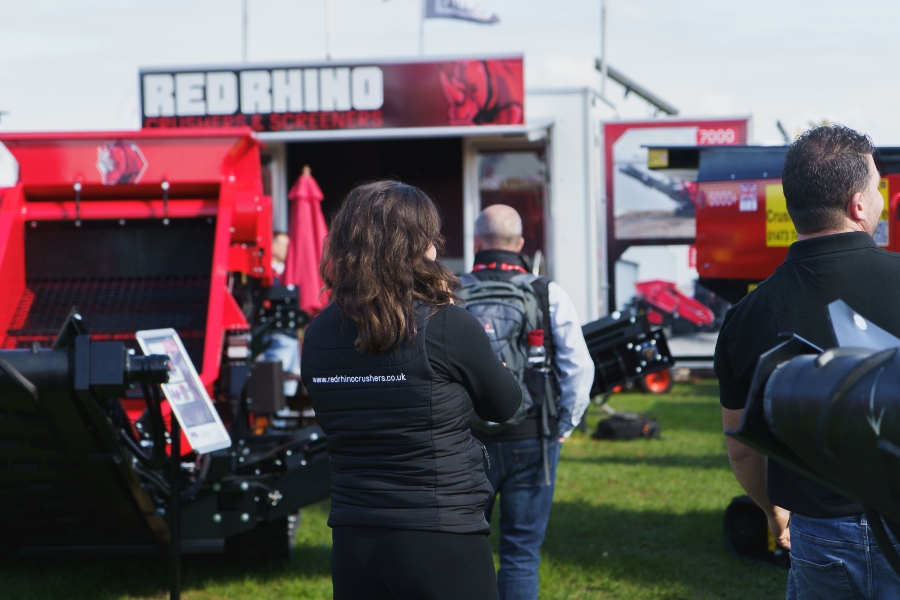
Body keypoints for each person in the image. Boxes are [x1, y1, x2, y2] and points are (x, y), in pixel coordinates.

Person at [301, 181, 523, 600]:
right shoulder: (447, 324)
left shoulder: (318, 332)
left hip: (354, 536)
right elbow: (504, 404)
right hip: (439, 533)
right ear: (419, 245)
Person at [715, 124, 900, 599]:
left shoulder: (747, 316)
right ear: (858, 205)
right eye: (877, 186)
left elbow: (742, 445)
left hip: (819, 534)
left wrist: (771, 508)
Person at [468, 204, 594, 600]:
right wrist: (563, 426)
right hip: (532, 435)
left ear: (477, 243)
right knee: (521, 553)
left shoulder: (450, 290)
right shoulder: (546, 291)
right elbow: (578, 367)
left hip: (466, 442)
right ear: (520, 244)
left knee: (465, 550)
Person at [258, 230, 301, 397]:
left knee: (289, 387)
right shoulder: (267, 274)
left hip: (291, 335)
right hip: (276, 333)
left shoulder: (288, 273)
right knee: (274, 384)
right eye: (284, 245)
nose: (287, 249)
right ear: (272, 246)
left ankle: (279, 421)